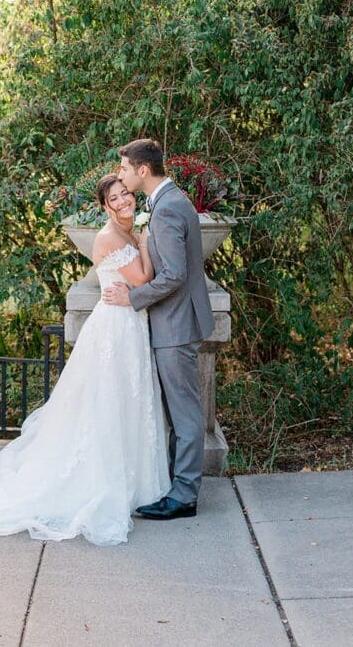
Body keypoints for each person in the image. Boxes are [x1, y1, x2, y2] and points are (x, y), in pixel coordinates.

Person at [0, 173, 171, 546]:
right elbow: (144, 278)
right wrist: (146, 241)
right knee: (106, 406)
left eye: (126, 194)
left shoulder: (127, 233)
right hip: (114, 332)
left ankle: (136, 485)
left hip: (131, 327)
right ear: (104, 206)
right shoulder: (109, 237)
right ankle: (101, 483)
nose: (124, 202)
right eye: (115, 199)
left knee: (130, 402)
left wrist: (138, 238)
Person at [102, 138, 215, 520]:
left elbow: (174, 276)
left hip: (175, 324)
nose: (121, 175)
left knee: (184, 414)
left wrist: (131, 300)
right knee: (178, 411)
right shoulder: (170, 201)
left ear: (142, 170)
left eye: (124, 169)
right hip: (176, 321)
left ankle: (183, 496)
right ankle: (175, 485)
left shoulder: (166, 210)